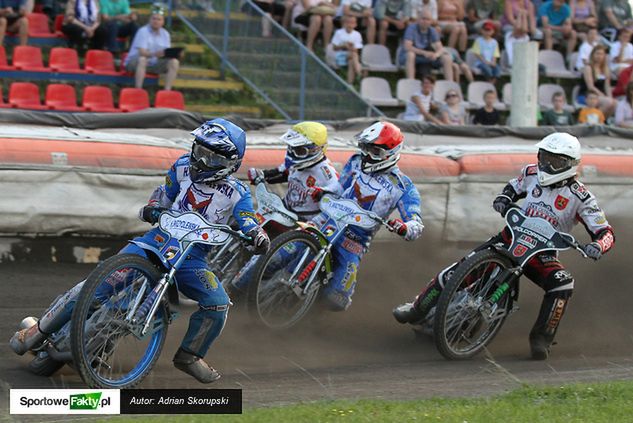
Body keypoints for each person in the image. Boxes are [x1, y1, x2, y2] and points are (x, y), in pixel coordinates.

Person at [9, 118, 271, 383]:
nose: (200, 161)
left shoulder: (238, 192)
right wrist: (153, 207)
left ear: (230, 163)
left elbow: (248, 219)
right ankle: (36, 333)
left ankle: (190, 355)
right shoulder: (181, 166)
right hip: (154, 242)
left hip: (192, 259)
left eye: (211, 157)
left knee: (218, 304)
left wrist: (257, 235)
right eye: (199, 151)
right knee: (96, 287)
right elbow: (162, 195)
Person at [394, 132, 615, 360]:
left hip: (541, 253)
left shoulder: (582, 196)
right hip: (509, 238)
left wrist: (597, 246)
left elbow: (605, 232)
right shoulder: (531, 172)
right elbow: (513, 187)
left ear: (570, 164)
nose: (547, 164)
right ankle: (417, 308)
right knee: (458, 270)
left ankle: (541, 339)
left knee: (563, 284)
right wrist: (503, 198)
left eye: (555, 161)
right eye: (544, 157)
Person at [311, 121, 424, 310]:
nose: (367, 155)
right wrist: (324, 191)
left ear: (390, 153)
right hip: (329, 220)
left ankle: (310, 311)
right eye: (365, 148)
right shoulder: (356, 161)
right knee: (286, 250)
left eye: (375, 151)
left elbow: (416, 223)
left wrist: (405, 228)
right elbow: (340, 186)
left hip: (355, 240)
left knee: (337, 299)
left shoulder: (404, 187)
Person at [230, 121, 342, 294]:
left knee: (271, 260)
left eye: (298, 150)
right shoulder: (295, 163)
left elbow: (337, 201)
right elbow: (282, 172)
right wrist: (262, 175)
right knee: (242, 226)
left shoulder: (327, 174)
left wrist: (325, 194)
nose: (292, 154)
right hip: (281, 211)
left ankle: (237, 289)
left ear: (316, 149)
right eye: (290, 148)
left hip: (303, 224)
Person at [124, 6, 180, 90]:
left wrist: (174, 54)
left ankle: (167, 91)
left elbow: (166, 53)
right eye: (154, 19)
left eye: (159, 19)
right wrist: (155, 54)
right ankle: (138, 90)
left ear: (163, 22)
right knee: (143, 59)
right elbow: (142, 52)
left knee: (174, 62)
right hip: (134, 62)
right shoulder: (143, 31)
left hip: (154, 63)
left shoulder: (165, 34)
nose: (156, 21)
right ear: (149, 20)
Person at [399, 9, 453, 80]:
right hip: (411, 56)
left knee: (446, 58)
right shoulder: (411, 28)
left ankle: (450, 84)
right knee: (410, 55)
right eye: (423, 18)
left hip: (426, 56)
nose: (425, 21)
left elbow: (440, 48)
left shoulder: (432, 30)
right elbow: (407, 47)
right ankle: (410, 81)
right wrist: (424, 53)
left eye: (428, 19)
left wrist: (436, 55)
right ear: (418, 19)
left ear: (431, 21)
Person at [578, 44, 617, 118]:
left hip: (601, 96)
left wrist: (610, 97)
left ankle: (601, 121)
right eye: (597, 54)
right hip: (587, 95)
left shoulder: (606, 69)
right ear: (593, 55)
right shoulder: (588, 68)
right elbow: (590, 87)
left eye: (601, 54)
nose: (599, 56)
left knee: (615, 103)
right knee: (608, 102)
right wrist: (603, 96)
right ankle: (593, 119)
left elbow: (607, 86)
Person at [330, 15, 363, 83]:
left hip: (351, 57)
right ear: (344, 23)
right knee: (354, 55)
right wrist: (344, 46)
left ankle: (349, 84)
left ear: (355, 24)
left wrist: (351, 47)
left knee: (351, 61)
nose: (350, 25)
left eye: (352, 23)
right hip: (338, 56)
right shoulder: (339, 32)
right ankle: (359, 72)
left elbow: (357, 50)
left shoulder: (357, 34)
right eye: (348, 22)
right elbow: (334, 48)